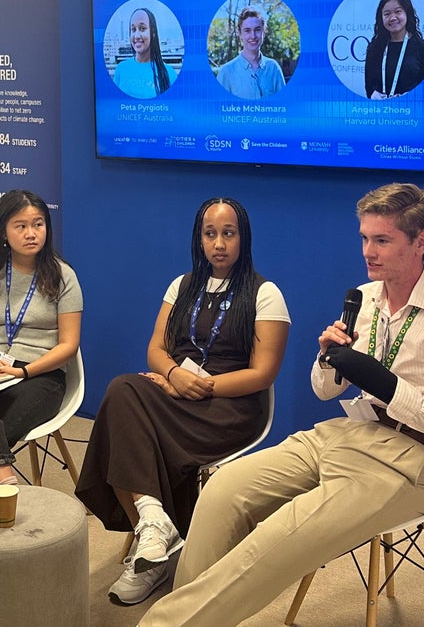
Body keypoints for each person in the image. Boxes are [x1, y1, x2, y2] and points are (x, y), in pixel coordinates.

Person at [139, 183, 424, 627]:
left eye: (382, 240)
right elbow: (324, 391)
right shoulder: (365, 300)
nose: (369, 251)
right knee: (223, 491)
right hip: (349, 434)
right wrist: (329, 358)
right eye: (364, 238)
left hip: (413, 459)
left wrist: (384, 384)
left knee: (274, 539)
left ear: (420, 242)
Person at [75, 197, 290, 607]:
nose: (219, 244)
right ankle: (153, 528)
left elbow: (262, 375)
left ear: (243, 238)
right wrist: (176, 377)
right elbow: (156, 349)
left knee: (128, 421)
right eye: (210, 234)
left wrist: (199, 387)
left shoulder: (266, 293)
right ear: (199, 238)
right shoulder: (182, 285)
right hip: (179, 392)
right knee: (123, 389)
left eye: (229, 234)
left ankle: (152, 542)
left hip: (230, 406)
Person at [0, 189, 83, 488]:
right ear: (3, 232)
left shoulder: (63, 276)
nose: (31, 233)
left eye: (38, 224)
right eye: (20, 226)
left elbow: (69, 345)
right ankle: (7, 486)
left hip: (41, 375)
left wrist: (22, 371)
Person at [364, 0, 424, 99]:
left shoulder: (421, 47)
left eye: (398, 12)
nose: (393, 18)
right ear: (381, 18)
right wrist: (374, 95)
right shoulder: (374, 47)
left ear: (407, 13)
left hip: (410, 111)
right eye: (387, 14)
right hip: (380, 111)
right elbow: (369, 85)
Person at [214, 8, 286, 99]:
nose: (253, 36)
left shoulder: (273, 68)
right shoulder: (226, 72)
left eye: (257, 30)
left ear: (263, 32)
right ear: (240, 34)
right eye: (247, 30)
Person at [113, 7, 178, 99]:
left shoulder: (169, 74)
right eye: (133, 29)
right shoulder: (121, 69)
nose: (136, 36)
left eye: (142, 28)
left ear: (153, 33)